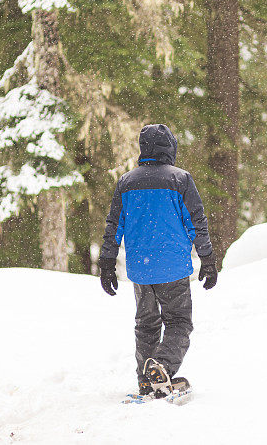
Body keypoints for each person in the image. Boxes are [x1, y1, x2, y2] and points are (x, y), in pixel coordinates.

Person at [97, 124, 217, 398]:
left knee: (146, 325)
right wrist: (207, 258)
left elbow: (114, 225)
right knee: (178, 323)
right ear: (170, 148)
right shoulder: (180, 180)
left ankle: (146, 379)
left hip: (141, 269)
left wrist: (107, 261)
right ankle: (160, 367)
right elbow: (196, 222)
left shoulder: (126, 182)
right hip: (173, 267)